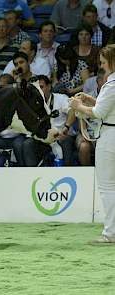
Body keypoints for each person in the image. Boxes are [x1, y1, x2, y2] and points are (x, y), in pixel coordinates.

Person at [70, 44, 115, 243]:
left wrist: (79, 105)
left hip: (110, 134)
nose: (101, 63)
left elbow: (99, 113)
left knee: (107, 187)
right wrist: (91, 99)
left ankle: (110, 233)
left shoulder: (112, 83)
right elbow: (106, 105)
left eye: (104, 60)